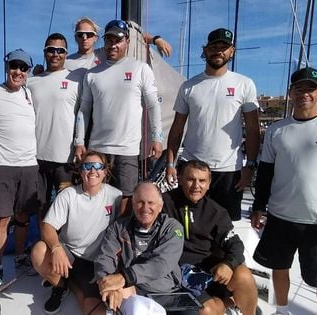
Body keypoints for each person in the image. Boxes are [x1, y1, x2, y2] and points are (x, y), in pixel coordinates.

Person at [250, 67, 317, 315]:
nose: (304, 94)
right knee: (279, 268)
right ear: (291, 92)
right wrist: (258, 206)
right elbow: (265, 173)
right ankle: (281, 310)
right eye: (299, 88)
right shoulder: (277, 130)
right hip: (280, 216)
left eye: (310, 88)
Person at [165, 28, 261, 221]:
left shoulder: (245, 84)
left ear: (231, 51)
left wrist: (250, 165)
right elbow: (177, 129)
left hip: (228, 171)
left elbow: (252, 129)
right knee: (186, 223)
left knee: (224, 226)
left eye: (224, 47)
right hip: (191, 167)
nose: (218, 51)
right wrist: (170, 163)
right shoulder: (189, 86)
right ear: (205, 50)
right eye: (214, 47)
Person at [75, 19, 164, 215]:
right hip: (98, 148)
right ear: (104, 42)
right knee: (95, 195)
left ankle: (120, 238)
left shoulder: (140, 68)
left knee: (126, 197)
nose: (113, 45)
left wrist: (157, 138)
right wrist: (79, 141)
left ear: (127, 42)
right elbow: (84, 110)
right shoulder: (92, 74)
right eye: (109, 40)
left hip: (128, 148)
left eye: (118, 40)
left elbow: (153, 105)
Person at [30, 151, 122, 314]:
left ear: (105, 171)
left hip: (97, 260)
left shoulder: (116, 196)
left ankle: (70, 283)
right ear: (81, 171)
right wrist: (57, 248)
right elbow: (47, 226)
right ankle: (60, 286)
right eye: (87, 166)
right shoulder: (69, 195)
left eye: (98, 166)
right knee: (39, 251)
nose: (93, 171)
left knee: (93, 305)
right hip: (69, 253)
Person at [163, 160, 257, 315]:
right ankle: (227, 304)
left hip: (209, 271)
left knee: (244, 277)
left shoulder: (216, 212)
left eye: (202, 181)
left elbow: (235, 244)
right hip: (177, 274)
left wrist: (228, 264)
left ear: (208, 184)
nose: (196, 186)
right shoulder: (164, 203)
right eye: (191, 179)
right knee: (207, 310)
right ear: (180, 179)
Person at [0, 49, 42, 274]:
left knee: (23, 217)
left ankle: (20, 257)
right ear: (6, 67)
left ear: (28, 71)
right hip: (2, 165)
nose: (18, 71)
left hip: (29, 166)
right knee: (2, 220)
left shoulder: (30, 94)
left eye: (23, 68)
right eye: (14, 66)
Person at [94, 182, 184, 314]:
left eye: (151, 203)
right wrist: (106, 283)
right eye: (140, 202)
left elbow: (162, 263)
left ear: (160, 206)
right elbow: (105, 257)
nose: (145, 208)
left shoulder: (173, 228)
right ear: (133, 204)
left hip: (165, 292)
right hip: (129, 288)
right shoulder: (119, 227)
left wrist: (124, 277)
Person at [27, 33, 82, 207]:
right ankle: (43, 236)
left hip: (65, 159)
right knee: (40, 205)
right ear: (44, 52)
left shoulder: (77, 80)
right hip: (36, 157)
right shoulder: (31, 82)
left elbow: (84, 113)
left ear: (66, 54)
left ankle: (60, 236)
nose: (55, 54)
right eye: (51, 50)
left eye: (60, 50)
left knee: (64, 206)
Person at [65, 17, 172, 72]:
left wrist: (156, 39)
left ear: (96, 38)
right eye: (80, 35)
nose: (84, 38)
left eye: (89, 34)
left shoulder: (106, 52)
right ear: (75, 37)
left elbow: (133, 36)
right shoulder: (66, 62)